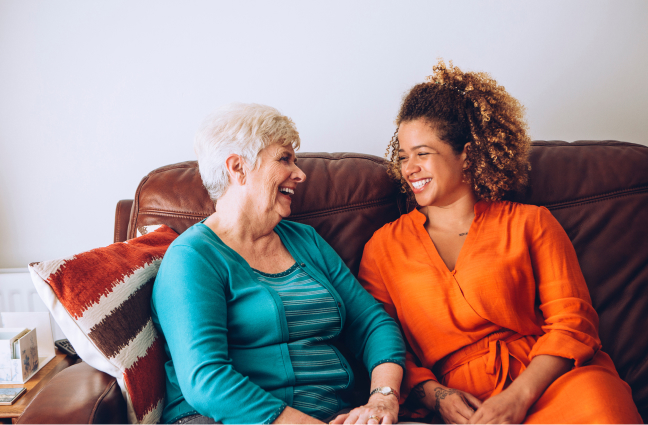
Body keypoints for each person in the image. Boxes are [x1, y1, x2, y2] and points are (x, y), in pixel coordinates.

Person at [358, 61, 642, 424]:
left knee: (602, 407)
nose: (409, 167)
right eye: (402, 156)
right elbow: (381, 344)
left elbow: (573, 323)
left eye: (423, 153)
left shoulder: (530, 222)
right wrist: (437, 397)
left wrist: (518, 397)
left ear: (467, 155)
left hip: (547, 383)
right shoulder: (383, 248)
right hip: (460, 405)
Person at [151, 103, 405, 424]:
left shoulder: (305, 240)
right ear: (237, 168)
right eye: (284, 159)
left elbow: (372, 324)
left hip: (335, 414)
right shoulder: (193, 257)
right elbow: (206, 379)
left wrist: (382, 399)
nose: (300, 174)